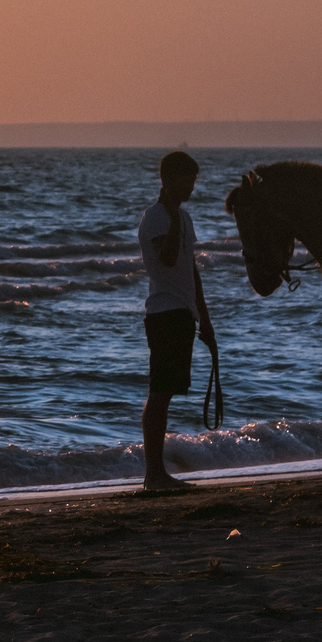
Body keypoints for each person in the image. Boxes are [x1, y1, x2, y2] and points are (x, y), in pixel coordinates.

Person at [136, 149, 215, 492]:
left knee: (165, 393)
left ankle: (157, 473)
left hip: (182, 312)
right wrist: (171, 215)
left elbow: (190, 270)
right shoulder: (156, 217)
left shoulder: (183, 218)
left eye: (194, 181)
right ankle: (154, 474)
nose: (192, 187)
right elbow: (167, 259)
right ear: (169, 180)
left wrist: (204, 319)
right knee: (159, 393)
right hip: (164, 312)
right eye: (187, 180)